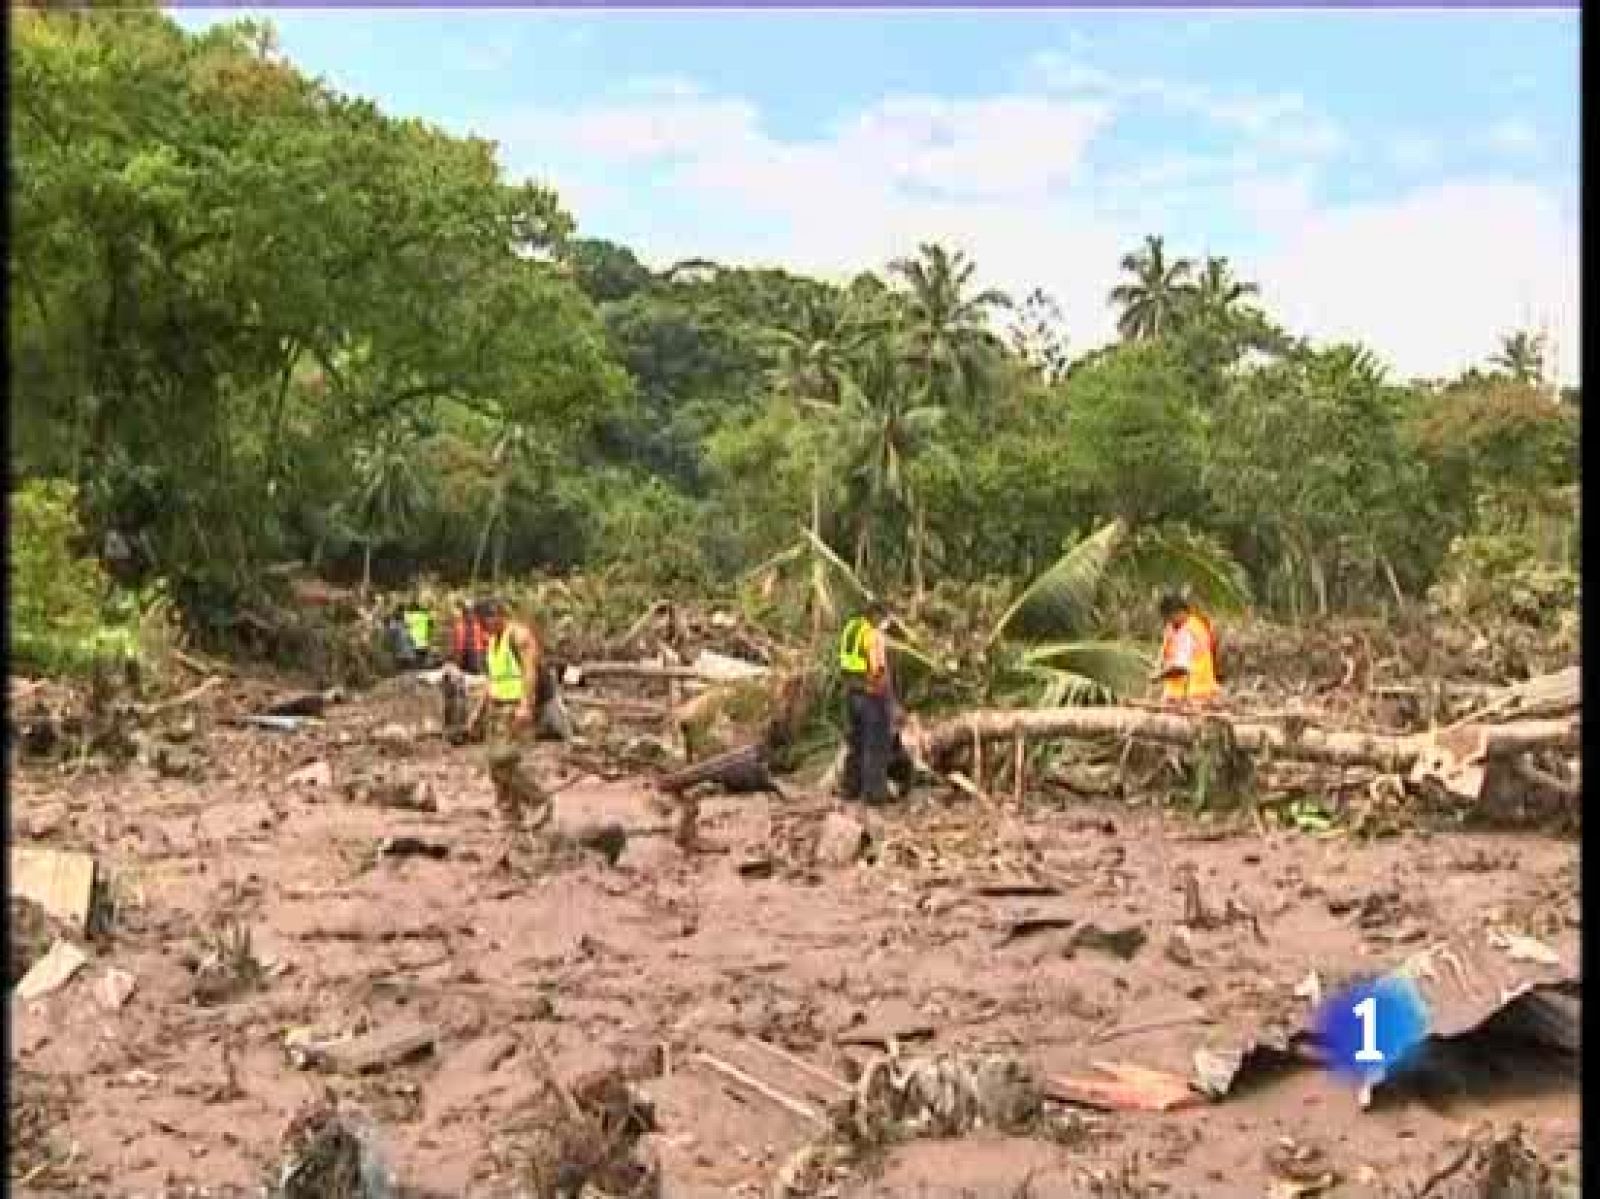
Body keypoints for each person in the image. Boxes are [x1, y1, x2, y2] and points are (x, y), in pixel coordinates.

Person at [466, 599, 572, 744]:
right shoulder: (492, 642)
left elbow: (530, 671)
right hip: (507, 704)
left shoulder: (519, 635)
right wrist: (478, 712)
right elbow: (493, 680)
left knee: (561, 741)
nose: (483, 628)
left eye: (484, 623)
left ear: (496, 617)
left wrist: (526, 705)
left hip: (539, 701)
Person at [838, 599, 896, 804]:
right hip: (871, 695)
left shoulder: (851, 629)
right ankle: (874, 794)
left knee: (856, 743)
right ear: (876, 616)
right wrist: (886, 697)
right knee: (876, 745)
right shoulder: (872, 636)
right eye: (885, 617)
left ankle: (849, 789)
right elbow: (877, 669)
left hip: (851, 693)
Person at [1153, 591, 1221, 705]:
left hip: (1188, 696)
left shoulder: (1187, 632)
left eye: (1169, 617)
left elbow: (1181, 668)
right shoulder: (1196, 624)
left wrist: (1158, 677)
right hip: (1200, 693)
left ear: (1178, 612)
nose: (1168, 621)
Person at [449, 598, 488, 676]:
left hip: (476, 653)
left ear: (473, 612)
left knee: (476, 675)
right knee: (462, 675)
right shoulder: (459, 625)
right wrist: (456, 655)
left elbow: (486, 639)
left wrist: (486, 652)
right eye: (466, 611)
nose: (468, 614)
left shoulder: (480, 624)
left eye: (470, 611)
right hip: (462, 654)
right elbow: (456, 642)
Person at [402, 598, 436, 668]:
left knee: (415, 663)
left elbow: (405, 624)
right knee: (423, 661)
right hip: (424, 642)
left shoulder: (409, 616)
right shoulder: (425, 616)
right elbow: (431, 625)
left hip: (413, 643)